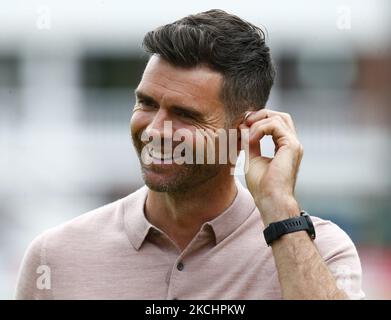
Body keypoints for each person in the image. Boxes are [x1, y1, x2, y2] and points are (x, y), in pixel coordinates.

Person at [15, 9, 364, 300]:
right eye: (147, 104)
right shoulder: (54, 257)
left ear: (244, 132)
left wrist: (279, 210)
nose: (155, 130)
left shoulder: (318, 250)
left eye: (185, 115)